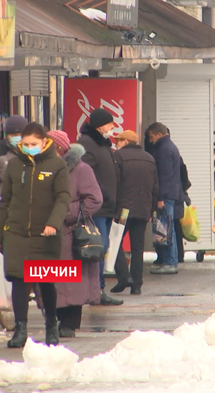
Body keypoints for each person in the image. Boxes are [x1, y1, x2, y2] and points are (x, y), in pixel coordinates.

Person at [0, 123, 71, 347]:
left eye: (33, 144)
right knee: (19, 281)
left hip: (45, 235)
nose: (29, 148)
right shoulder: (13, 165)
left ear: (44, 142)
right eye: (25, 144)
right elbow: (6, 201)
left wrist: (53, 223)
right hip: (17, 234)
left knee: (46, 282)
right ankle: (20, 329)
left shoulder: (57, 165)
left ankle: (51, 325)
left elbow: (63, 198)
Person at [47, 132, 103, 338]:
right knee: (52, 278)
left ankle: (69, 322)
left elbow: (95, 199)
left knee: (72, 281)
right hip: (47, 233)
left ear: (60, 148)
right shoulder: (43, 168)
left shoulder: (81, 169)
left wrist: (67, 213)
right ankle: (54, 319)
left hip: (71, 233)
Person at [77, 108, 122, 306]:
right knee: (97, 248)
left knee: (101, 248)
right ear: (100, 125)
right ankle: (96, 290)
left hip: (106, 206)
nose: (113, 127)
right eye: (110, 123)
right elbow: (89, 175)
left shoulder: (102, 144)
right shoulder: (87, 144)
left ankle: (97, 289)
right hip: (97, 207)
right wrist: (102, 194)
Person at [111, 130, 158, 294]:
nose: (116, 143)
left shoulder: (118, 157)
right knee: (137, 247)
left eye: (118, 140)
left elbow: (115, 183)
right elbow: (154, 188)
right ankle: (137, 284)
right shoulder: (149, 158)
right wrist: (151, 211)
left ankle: (124, 276)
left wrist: (113, 207)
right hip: (143, 209)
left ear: (125, 141)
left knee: (114, 242)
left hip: (123, 209)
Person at [147, 122, 182, 274]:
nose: (150, 140)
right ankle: (170, 261)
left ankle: (170, 262)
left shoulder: (163, 149)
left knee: (166, 229)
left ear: (159, 134)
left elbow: (164, 175)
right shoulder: (170, 147)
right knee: (168, 228)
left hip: (165, 195)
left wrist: (160, 197)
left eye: (151, 136)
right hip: (170, 194)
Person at [0, 115, 28, 184]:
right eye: (13, 135)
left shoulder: (33, 151)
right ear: (6, 136)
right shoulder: (2, 152)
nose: (17, 138)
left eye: (20, 135)